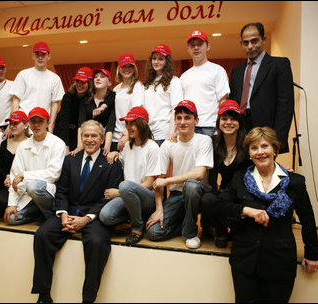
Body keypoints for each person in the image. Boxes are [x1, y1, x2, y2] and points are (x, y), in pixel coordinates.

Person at [204, 126, 318, 302]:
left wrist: (312, 254)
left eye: (265, 146)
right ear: (249, 153)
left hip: (280, 263)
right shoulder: (240, 178)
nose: (260, 152)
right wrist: (245, 210)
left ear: (275, 149)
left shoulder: (295, 182)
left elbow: (308, 219)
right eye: (254, 148)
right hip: (245, 262)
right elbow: (217, 205)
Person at [31, 120, 123, 303]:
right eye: (86, 136)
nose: (89, 140)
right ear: (81, 138)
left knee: (97, 243)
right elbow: (62, 191)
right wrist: (63, 214)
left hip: (95, 216)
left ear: (102, 138)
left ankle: (88, 299)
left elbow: (109, 198)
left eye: (94, 136)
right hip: (70, 211)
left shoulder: (112, 164)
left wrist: (87, 219)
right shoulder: (70, 160)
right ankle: (43, 295)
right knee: (42, 235)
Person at [146, 100, 213, 249]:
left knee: (191, 186)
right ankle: (184, 224)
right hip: (177, 195)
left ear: (196, 120)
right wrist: (159, 209)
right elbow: (159, 180)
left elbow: (200, 173)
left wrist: (168, 180)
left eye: (187, 118)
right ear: (175, 120)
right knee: (153, 232)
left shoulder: (204, 140)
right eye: (179, 118)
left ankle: (190, 233)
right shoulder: (168, 144)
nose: (182, 122)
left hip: (200, 194)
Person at [229, 22, 294, 153]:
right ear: (241, 44)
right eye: (246, 43)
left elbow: (285, 104)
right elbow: (233, 101)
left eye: (254, 41)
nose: (250, 46)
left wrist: (278, 139)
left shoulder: (279, 65)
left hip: (266, 130)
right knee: (242, 171)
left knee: (264, 170)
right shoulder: (236, 71)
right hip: (241, 129)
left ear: (264, 39)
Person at [100, 107, 161, 245]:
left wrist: (120, 193)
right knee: (105, 216)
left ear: (142, 125)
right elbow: (121, 161)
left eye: (132, 123)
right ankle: (136, 216)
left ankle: (137, 226)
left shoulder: (152, 147)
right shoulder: (127, 146)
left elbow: (150, 183)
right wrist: (115, 153)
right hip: (128, 195)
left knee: (125, 185)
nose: (128, 127)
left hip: (147, 197)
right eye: (127, 124)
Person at [4, 107, 66, 226]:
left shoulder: (57, 144)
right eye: (33, 121)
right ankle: (39, 213)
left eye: (40, 121)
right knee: (11, 219)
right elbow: (14, 176)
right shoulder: (23, 146)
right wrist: (11, 204)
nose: (36, 125)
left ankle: (50, 217)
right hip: (28, 194)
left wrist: (24, 175)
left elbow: (54, 174)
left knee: (34, 186)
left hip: (49, 193)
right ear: (28, 123)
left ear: (48, 123)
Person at [203, 100, 252, 248]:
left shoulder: (248, 143)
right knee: (207, 199)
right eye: (224, 119)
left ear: (239, 122)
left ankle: (237, 230)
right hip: (223, 191)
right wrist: (175, 137)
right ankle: (221, 231)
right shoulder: (213, 142)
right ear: (219, 122)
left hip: (244, 194)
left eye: (233, 119)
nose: (228, 123)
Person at [0, 111, 31, 221]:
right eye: (11, 124)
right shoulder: (4, 143)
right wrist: (7, 176)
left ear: (26, 124)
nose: (13, 126)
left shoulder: (31, 143)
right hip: (5, 181)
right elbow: (0, 167)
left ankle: (4, 207)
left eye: (16, 123)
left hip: (23, 183)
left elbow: (32, 167)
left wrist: (15, 178)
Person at [180, 29, 230, 137]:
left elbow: (223, 100)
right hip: (190, 128)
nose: (196, 48)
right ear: (188, 49)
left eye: (200, 44)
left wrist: (219, 127)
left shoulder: (217, 70)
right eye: (192, 45)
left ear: (208, 46)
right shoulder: (184, 76)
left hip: (211, 128)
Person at [10, 41, 65, 134]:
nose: (40, 57)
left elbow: (55, 103)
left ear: (49, 56)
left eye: (43, 54)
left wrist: (51, 124)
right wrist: (14, 122)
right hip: (23, 122)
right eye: (37, 54)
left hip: (42, 122)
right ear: (33, 56)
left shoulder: (55, 78)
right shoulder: (23, 74)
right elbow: (16, 100)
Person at [142, 43, 183, 146]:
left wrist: (171, 133)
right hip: (148, 134)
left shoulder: (174, 81)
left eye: (160, 59)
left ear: (167, 61)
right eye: (154, 58)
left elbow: (176, 108)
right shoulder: (147, 83)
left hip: (164, 133)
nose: (156, 62)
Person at [76, 68, 116, 155]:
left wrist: (107, 146)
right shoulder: (85, 100)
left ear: (109, 83)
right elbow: (81, 123)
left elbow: (110, 125)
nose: (98, 79)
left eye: (102, 77)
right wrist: (79, 145)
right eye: (96, 77)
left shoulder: (113, 99)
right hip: (87, 141)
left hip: (105, 140)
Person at [54, 67, 94, 153]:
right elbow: (64, 122)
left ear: (90, 83)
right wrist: (66, 145)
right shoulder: (68, 96)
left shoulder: (92, 98)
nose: (79, 85)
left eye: (83, 82)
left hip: (80, 134)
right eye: (77, 81)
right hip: (64, 132)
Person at [112, 53, 145, 152]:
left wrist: (127, 133)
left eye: (130, 66)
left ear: (134, 69)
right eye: (124, 66)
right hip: (116, 136)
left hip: (130, 134)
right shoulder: (116, 89)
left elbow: (135, 112)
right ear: (119, 69)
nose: (127, 69)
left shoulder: (138, 86)